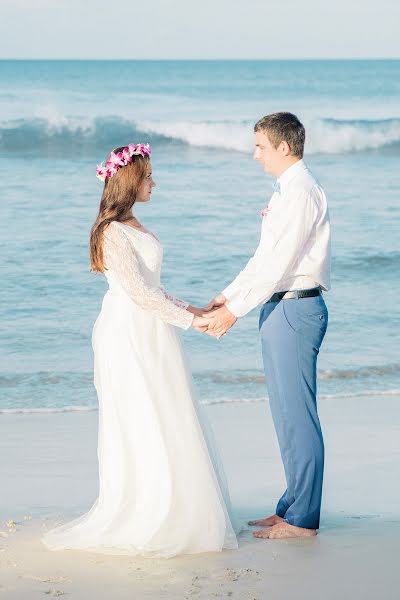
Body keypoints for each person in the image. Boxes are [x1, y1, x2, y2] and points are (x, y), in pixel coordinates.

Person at [42, 143, 238, 558]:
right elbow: (136, 295)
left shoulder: (133, 223)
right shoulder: (112, 232)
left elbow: (153, 288)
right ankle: (149, 508)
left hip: (153, 327)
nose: (154, 182)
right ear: (130, 181)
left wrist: (193, 308)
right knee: (142, 414)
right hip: (128, 331)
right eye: (148, 176)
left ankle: (175, 503)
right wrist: (195, 322)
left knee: (167, 409)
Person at [205, 113, 331, 539]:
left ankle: (303, 520)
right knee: (284, 415)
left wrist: (233, 311)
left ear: (282, 147)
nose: (254, 154)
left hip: (295, 308)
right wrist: (228, 294)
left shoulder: (301, 193)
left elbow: (280, 264)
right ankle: (290, 507)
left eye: (260, 146)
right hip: (278, 307)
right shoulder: (286, 191)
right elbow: (263, 258)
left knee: (298, 416)